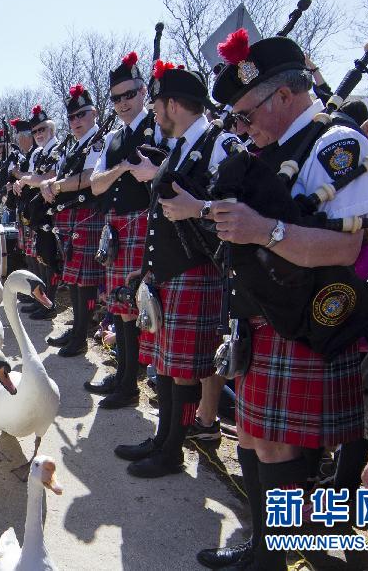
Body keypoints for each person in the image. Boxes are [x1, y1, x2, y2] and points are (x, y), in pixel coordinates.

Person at [190, 32, 368, 570]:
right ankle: (263, 545)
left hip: (306, 320)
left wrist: (262, 231)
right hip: (263, 311)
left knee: (277, 448)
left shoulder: (335, 144)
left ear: (281, 95)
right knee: (251, 436)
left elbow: (347, 244)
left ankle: (279, 559)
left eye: (246, 114)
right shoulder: (267, 148)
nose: (241, 127)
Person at [112, 61, 240, 479]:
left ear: (172, 104)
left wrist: (196, 207)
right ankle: (163, 438)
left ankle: (172, 450)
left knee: (184, 369)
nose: (154, 113)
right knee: (167, 366)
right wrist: (146, 270)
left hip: (196, 270)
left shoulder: (219, 144)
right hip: (168, 271)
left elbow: (232, 208)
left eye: (156, 104)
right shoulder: (181, 145)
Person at [89, 52, 168, 409]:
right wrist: (122, 166)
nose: (123, 103)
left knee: (134, 308)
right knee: (120, 307)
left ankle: (131, 383)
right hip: (118, 226)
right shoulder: (114, 139)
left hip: (145, 222)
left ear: (142, 92)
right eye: (116, 98)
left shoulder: (161, 127)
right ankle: (123, 377)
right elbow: (96, 186)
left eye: (129, 95)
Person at [41, 84, 105, 357]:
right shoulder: (76, 144)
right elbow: (65, 176)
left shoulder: (99, 141)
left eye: (82, 115)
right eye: (72, 117)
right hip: (72, 215)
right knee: (75, 278)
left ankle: (81, 335)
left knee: (86, 279)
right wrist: (50, 184)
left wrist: (56, 186)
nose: (76, 121)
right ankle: (76, 328)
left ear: (94, 113)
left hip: (89, 212)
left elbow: (90, 177)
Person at [17, 104, 61, 320]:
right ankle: (42, 300)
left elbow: (47, 177)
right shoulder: (42, 152)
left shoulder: (56, 150)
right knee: (40, 258)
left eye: (42, 130)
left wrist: (24, 179)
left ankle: (49, 305)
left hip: (51, 212)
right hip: (39, 212)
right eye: (35, 131)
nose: (38, 134)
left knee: (48, 260)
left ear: (51, 129)